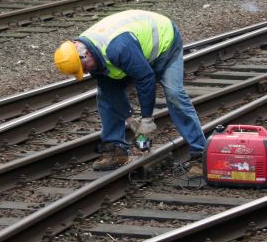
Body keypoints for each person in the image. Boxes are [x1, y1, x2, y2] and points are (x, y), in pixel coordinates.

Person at [53, 10, 206, 175]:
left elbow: (146, 78)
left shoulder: (117, 49)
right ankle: (116, 150)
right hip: (136, 52)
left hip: (164, 44)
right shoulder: (86, 54)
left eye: (83, 68)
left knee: (175, 95)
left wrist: (146, 119)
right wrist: (131, 120)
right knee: (105, 96)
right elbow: (111, 89)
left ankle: (200, 154)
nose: (84, 72)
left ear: (87, 54)